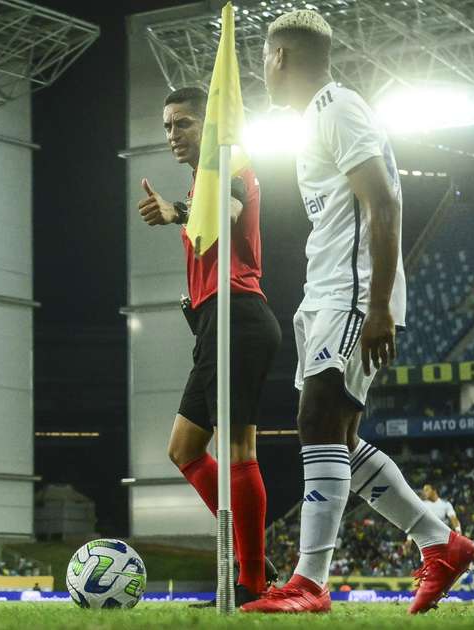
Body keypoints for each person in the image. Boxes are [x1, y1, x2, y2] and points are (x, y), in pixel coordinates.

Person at [241, 9, 474, 615]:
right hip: (327, 292)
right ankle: (438, 541)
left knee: (319, 419)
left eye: (264, 56)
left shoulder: (336, 108)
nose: (262, 67)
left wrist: (375, 305)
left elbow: (386, 199)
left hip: (351, 294)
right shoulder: (317, 119)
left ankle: (310, 584)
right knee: (335, 432)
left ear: (280, 58)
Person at [138, 86, 281, 606]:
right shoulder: (203, 179)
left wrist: (177, 212)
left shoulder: (233, 162)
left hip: (238, 314)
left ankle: (252, 585)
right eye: (167, 127)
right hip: (212, 322)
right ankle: (252, 555)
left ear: (208, 126)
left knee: (239, 449)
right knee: (184, 449)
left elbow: (230, 212)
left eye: (183, 124)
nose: (173, 135)